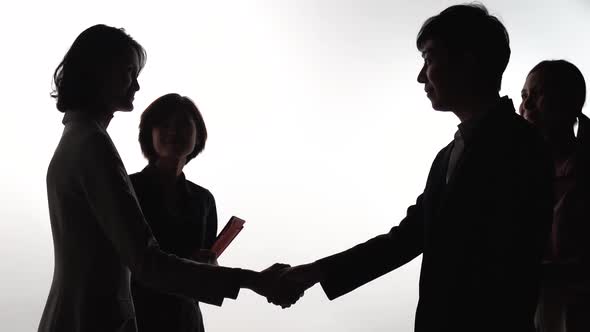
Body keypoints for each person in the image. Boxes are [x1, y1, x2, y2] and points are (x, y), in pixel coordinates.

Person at [276, 4, 554, 332]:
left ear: (468, 60)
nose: (422, 76)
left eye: (429, 59)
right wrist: (317, 271)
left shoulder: (523, 147)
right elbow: (410, 236)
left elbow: (505, 265)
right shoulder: (450, 155)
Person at [39, 24, 298, 332]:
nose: (135, 85)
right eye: (128, 72)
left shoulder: (79, 137)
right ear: (99, 72)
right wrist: (254, 280)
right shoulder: (93, 145)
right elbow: (146, 263)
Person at [129, 93, 219, 332]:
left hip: (185, 319)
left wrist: (211, 265)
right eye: (164, 125)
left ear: (197, 134)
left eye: (182, 125)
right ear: (149, 134)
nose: (173, 132)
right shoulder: (127, 188)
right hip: (134, 315)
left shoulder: (204, 200)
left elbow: (206, 264)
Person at [519, 59, 590, 332]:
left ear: (571, 101)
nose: (527, 106)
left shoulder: (584, 169)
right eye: (525, 96)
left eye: (537, 94)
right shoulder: (521, 170)